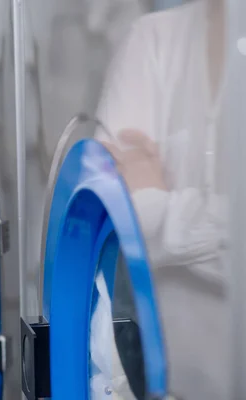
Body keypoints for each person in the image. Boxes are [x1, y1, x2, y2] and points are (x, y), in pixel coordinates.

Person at [91, 0, 229, 399]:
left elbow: (139, 214)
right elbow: (109, 215)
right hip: (165, 381)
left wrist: (155, 208)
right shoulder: (152, 41)